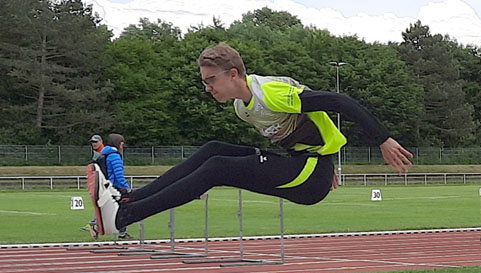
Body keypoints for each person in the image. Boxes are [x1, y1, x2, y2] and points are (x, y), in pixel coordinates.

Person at [89, 42, 413, 237]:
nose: (207, 88)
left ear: (233, 74)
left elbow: (338, 103)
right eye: (203, 82)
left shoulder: (271, 94)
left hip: (311, 175)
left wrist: (382, 139)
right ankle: (127, 199)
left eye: (210, 80)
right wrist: (325, 153)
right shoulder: (241, 110)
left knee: (218, 167)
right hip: (306, 164)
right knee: (213, 151)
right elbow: (302, 131)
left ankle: (123, 217)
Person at [90, 133, 133, 240]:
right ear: (118, 143)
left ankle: (97, 224)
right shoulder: (115, 155)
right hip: (115, 187)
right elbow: (118, 174)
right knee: (124, 208)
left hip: (106, 185)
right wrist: (127, 187)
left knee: (111, 208)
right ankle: (96, 224)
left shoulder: (104, 154)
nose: (123, 146)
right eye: (122, 143)